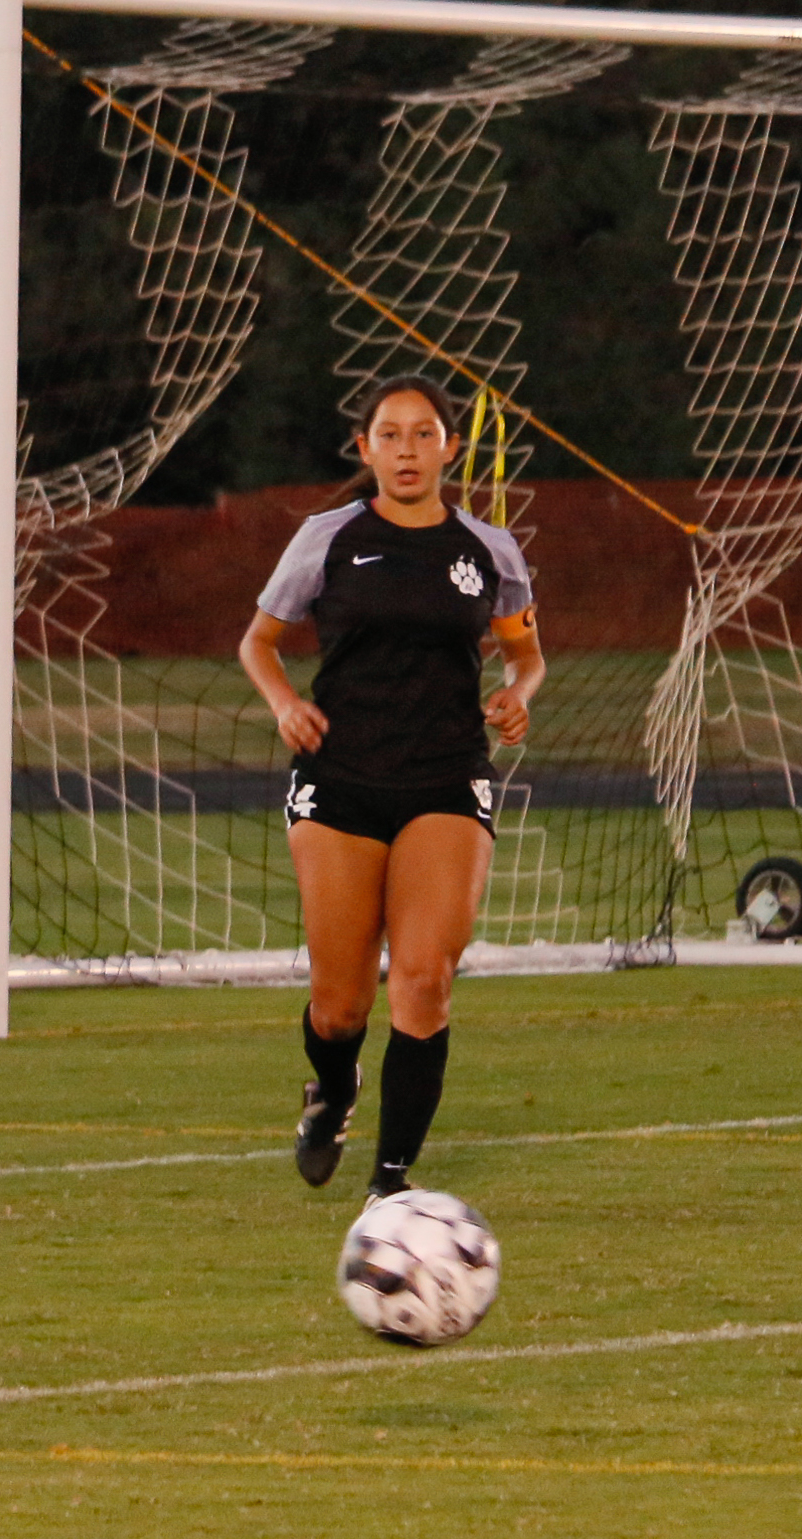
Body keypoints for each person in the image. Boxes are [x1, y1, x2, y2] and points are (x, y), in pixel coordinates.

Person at [239, 375, 544, 1198]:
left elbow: (525, 652)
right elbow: (259, 644)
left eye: (422, 434)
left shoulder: (490, 550)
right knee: (340, 1006)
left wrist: (518, 693)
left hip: (446, 774)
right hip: (340, 776)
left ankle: (390, 1185)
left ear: (449, 446)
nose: (406, 450)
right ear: (365, 448)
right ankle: (334, 1090)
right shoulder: (328, 537)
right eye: (390, 435)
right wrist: (284, 703)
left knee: (423, 976)